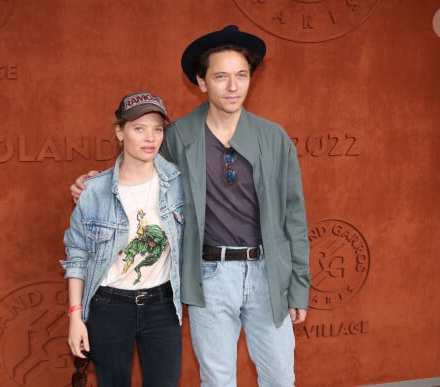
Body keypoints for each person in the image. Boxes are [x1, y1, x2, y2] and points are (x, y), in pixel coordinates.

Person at [71, 25, 310, 387]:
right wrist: (94, 184)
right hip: (209, 276)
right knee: (217, 381)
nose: (233, 86)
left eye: (241, 75)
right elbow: (141, 167)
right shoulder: (179, 136)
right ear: (202, 82)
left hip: (267, 275)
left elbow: (295, 218)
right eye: (221, 77)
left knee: (280, 378)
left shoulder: (274, 138)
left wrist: (299, 286)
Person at [60, 91, 185, 387]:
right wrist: (76, 317)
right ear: (120, 132)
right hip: (109, 307)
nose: (149, 137)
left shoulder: (179, 183)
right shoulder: (94, 191)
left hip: (162, 305)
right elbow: (77, 255)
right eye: (138, 128)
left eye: (157, 129)